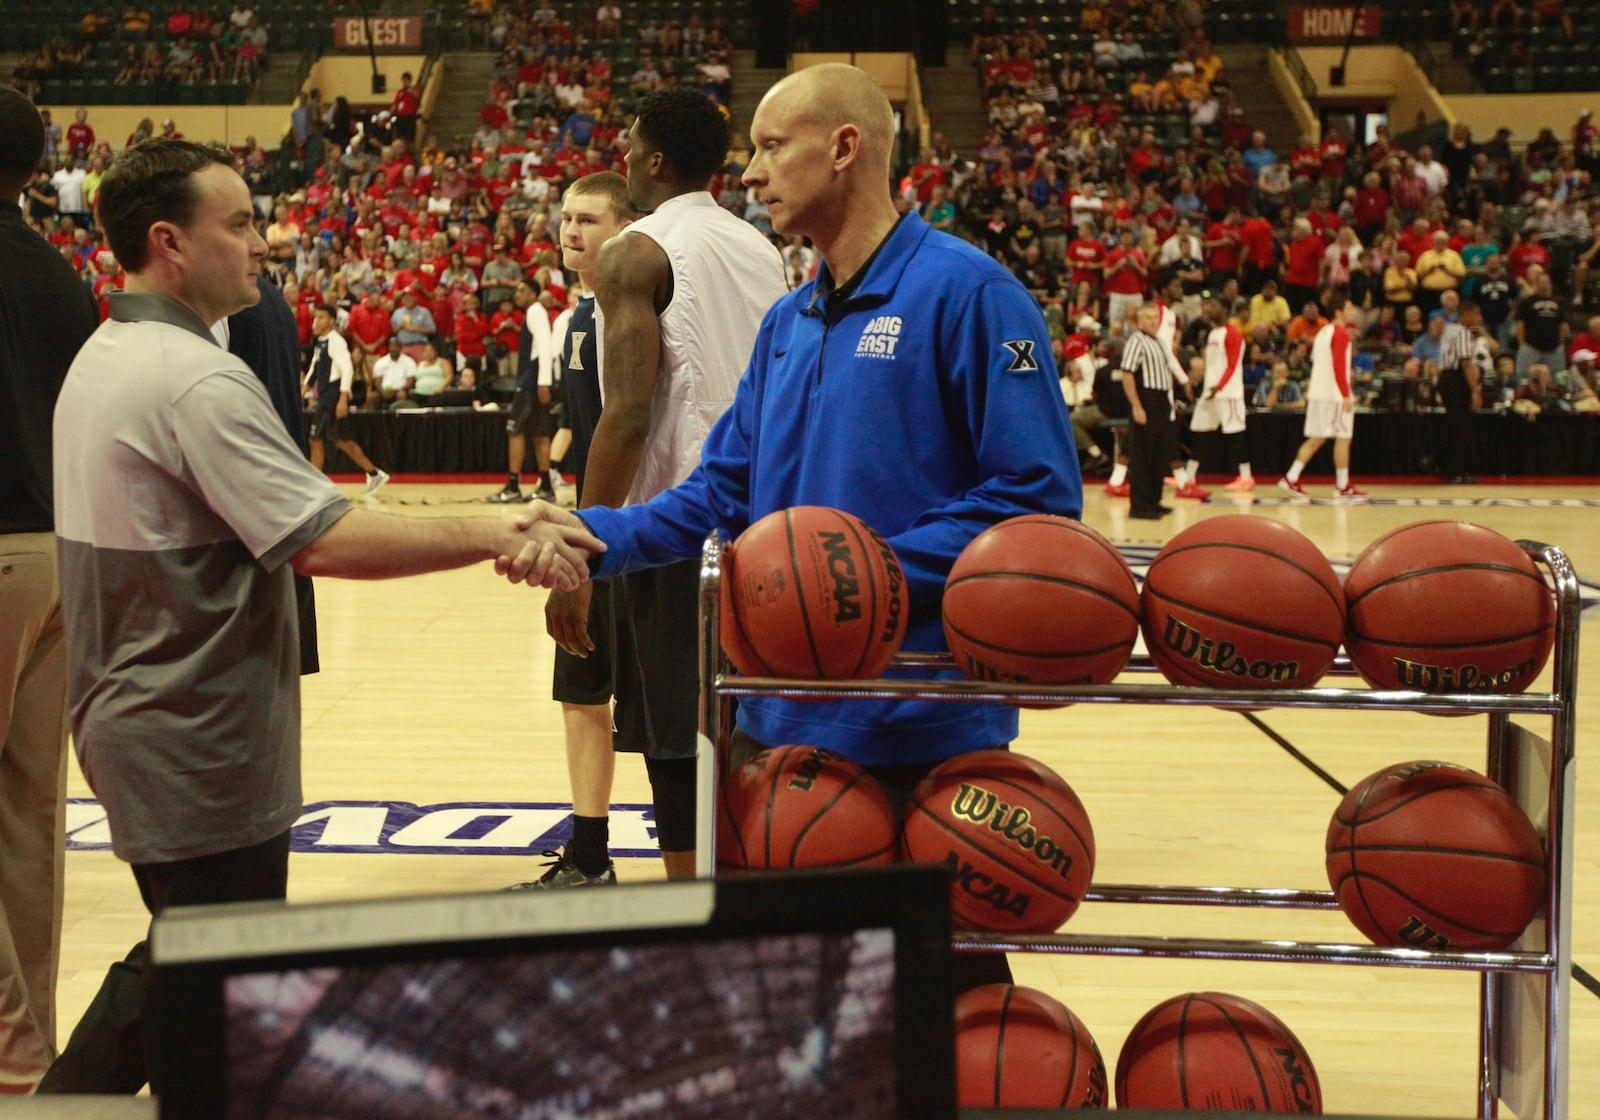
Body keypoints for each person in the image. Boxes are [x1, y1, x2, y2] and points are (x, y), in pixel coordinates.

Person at [38, 139, 601, 1096]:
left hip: (142, 715)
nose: (266, 243)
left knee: (188, 958)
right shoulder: (192, 378)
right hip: (195, 732)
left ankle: (65, 1104)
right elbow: (326, 539)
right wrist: (503, 527)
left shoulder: (112, 352)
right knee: (221, 997)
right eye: (241, 224)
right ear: (169, 243)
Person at [531, 88, 788, 885]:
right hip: (768, 520)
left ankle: (694, 917)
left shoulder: (635, 251)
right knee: (744, 729)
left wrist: (578, 554)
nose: (626, 150)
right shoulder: (760, 247)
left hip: (679, 524)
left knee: (677, 742)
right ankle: (746, 890)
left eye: (632, 139)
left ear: (653, 159)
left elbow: (629, 415)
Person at [0, 84, 99, 1096]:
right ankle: (27, 1058)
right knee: (30, 819)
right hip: (58, 552)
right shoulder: (61, 276)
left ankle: (13, 1045)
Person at [514, 172, 634, 889]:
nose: (570, 231)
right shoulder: (572, 318)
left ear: (625, 229)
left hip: (635, 531)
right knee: (581, 689)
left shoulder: (638, 309)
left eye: (587, 219)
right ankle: (590, 854)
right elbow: (583, 424)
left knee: (664, 713)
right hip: (589, 525)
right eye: (565, 218)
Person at [1278, 297, 1368, 503]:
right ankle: (1342, 486)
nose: (1352, 311)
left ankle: (1292, 477)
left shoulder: (1322, 332)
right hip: (1334, 395)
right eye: (1348, 307)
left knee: (1319, 437)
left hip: (1320, 392)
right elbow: (1338, 365)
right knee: (1342, 437)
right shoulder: (1340, 333)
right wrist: (1346, 394)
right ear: (1338, 312)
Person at [488, 278, 558, 503]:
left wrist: (543, 382)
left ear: (533, 293)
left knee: (515, 431)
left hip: (530, 381)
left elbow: (546, 346)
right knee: (540, 433)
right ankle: (546, 486)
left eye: (522, 290)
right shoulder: (535, 312)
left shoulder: (535, 312)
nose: (517, 294)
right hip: (535, 380)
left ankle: (513, 486)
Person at [307, 303, 390, 492]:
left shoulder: (336, 341)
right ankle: (374, 473)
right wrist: (305, 387)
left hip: (332, 396)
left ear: (330, 320)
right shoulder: (321, 340)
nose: (316, 321)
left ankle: (313, 485)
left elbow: (347, 368)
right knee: (340, 440)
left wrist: (343, 398)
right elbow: (315, 365)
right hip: (326, 395)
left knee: (315, 439)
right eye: (315, 317)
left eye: (321, 317)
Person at [1118, 303, 1182, 520]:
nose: (1154, 321)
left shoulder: (1160, 341)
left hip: (1162, 400)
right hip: (1146, 398)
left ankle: (1154, 500)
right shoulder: (1136, 340)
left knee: (1158, 453)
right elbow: (1127, 374)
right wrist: (1137, 405)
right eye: (1149, 318)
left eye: (1155, 317)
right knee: (1142, 454)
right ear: (1139, 320)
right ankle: (1140, 506)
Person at [1186, 295, 1253, 491]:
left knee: (1236, 433)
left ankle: (1246, 477)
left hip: (1228, 393)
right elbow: (1213, 365)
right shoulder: (1213, 332)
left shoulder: (1233, 334)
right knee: (1199, 431)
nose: (1208, 309)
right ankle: (1189, 477)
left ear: (1225, 308)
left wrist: (1220, 386)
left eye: (1212, 305)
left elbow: (1233, 365)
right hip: (1211, 392)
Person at [1436, 300, 1488, 484]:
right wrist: (1475, 391)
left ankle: (1446, 467)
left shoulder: (1450, 329)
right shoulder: (1463, 333)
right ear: (1467, 315)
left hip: (1445, 377)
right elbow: (1466, 364)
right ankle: (1457, 470)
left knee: (1453, 423)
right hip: (1456, 379)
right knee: (1462, 426)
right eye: (1477, 314)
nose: (1480, 318)